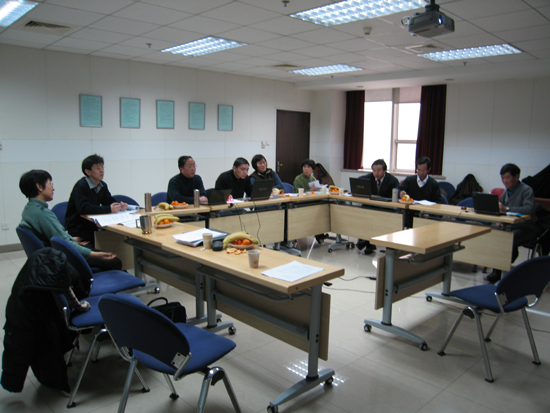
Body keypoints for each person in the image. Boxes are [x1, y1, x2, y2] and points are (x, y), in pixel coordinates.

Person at [18, 170, 122, 272]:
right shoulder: (42, 214)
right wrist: (94, 254)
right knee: (115, 261)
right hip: (62, 257)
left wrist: (71, 239)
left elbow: (58, 237)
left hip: (51, 254)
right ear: (39, 187)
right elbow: (63, 243)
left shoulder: (29, 209)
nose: (53, 188)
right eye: (50, 184)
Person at [486, 163, 537, 283]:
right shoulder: (506, 192)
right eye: (503, 178)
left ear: (516, 177)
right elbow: (501, 209)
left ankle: (498, 272)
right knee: (493, 235)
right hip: (509, 225)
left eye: (507, 177)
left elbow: (529, 209)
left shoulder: (526, 190)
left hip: (525, 227)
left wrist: (507, 209)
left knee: (506, 239)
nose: (505, 181)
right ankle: (497, 267)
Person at [65, 154, 126, 246]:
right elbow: (84, 208)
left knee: (117, 237)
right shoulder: (81, 186)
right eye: (98, 168)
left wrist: (119, 205)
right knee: (111, 240)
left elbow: (108, 200)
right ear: (88, 172)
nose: (102, 171)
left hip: (91, 226)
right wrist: (109, 209)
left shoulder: (102, 185)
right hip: (79, 228)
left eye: (102, 167)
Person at [356, 159, 399, 254]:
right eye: (374, 170)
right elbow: (358, 182)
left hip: (385, 208)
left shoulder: (392, 181)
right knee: (363, 215)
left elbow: (395, 196)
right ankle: (367, 242)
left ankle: (367, 242)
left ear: (385, 171)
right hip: (371, 206)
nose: (376, 173)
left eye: (379, 170)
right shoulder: (368, 178)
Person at [398, 156, 444, 228]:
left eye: (424, 170)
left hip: (425, 215)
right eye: (418, 170)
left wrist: (429, 213)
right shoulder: (409, 180)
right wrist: (401, 193)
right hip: (410, 213)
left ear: (429, 170)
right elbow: (399, 190)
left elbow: (438, 203)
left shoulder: (433, 184)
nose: (421, 173)